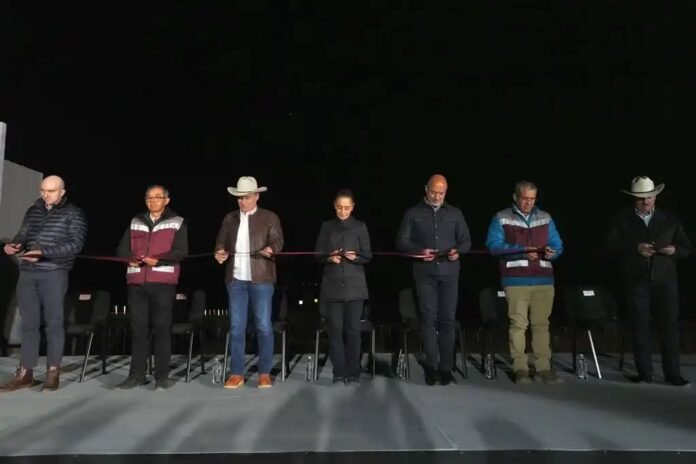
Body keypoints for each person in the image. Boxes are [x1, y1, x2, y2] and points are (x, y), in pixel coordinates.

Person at [0, 175, 87, 392]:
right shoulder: (33, 210)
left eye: (51, 191)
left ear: (62, 192)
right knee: (29, 323)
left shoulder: (73, 213)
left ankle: (52, 372)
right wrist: (15, 245)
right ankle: (25, 373)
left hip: (54, 272)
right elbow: (23, 235)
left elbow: (75, 245)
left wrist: (43, 252)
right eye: (43, 190)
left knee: (54, 323)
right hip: (28, 272)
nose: (45, 195)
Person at [606, 176, 691, 386]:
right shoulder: (622, 220)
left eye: (649, 197)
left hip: (665, 280)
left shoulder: (669, 219)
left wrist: (674, 250)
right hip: (636, 280)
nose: (646, 201)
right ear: (633, 198)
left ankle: (672, 373)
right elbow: (610, 245)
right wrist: (634, 248)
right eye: (641, 198)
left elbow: (686, 248)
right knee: (639, 326)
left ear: (655, 197)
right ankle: (644, 373)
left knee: (669, 326)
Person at [485, 180, 563, 384]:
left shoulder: (545, 217)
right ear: (515, 197)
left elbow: (557, 244)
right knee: (518, 325)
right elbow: (493, 246)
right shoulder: (502, 217)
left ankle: (544, 368)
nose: (528, 202)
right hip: (516, 279)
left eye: (532, 199)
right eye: (525, 198)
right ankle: (520, 369)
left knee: (541, 325)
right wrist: (521, 251)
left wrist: (552, 252)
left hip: (543, 279)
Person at [396, 174, 471, 385]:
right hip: (424, 274)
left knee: (447, 320)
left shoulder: (455, 213)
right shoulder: (413, 213)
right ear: (426, 189)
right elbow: (401, 242)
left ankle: (446, 368)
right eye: (434, 192)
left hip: (450, 274)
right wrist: (419, 251)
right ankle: (431, 366)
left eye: (441, 193)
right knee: (428, 319)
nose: (437, 196)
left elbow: (466, 241)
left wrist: (459, 251)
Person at [115, 185, 189, 390]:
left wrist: (159, 260)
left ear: (167, 200)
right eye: (149, 197)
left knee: (162, 329)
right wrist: (129, 259)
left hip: (163, 282)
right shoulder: (136, 221)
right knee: (138, 330)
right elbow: (122, 249)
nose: (152, 200)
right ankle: (136, 376)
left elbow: (181, 251)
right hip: (137, 282)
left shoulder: (177, 222)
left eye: (157, 197)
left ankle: (162, 376)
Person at [215, 176, 284, 389]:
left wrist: (271, 249)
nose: (242, 201)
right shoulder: (230, 218)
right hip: (236, 280)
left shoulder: (269, 217)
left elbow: (278, 241)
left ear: (256, 196)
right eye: (239, 198)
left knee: (263, 326)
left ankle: (264, 373)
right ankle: (237, 373)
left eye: (246, 197)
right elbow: (220, 242)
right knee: (236, 327)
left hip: (262, 279)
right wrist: (219, 252)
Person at [315, 189, 372, 385]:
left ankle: (353, 370)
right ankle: (339, 370)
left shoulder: (360, 226)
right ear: (334, 206)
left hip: (355, 287)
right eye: (339, 207)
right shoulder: (327, 227)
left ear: (353, 207)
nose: (343, 211)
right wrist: (329, 257)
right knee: (335, 330)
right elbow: (318, 254)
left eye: (347, 208)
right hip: (332, 288)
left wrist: (356, 257)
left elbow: (368, 255)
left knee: (354, 330)